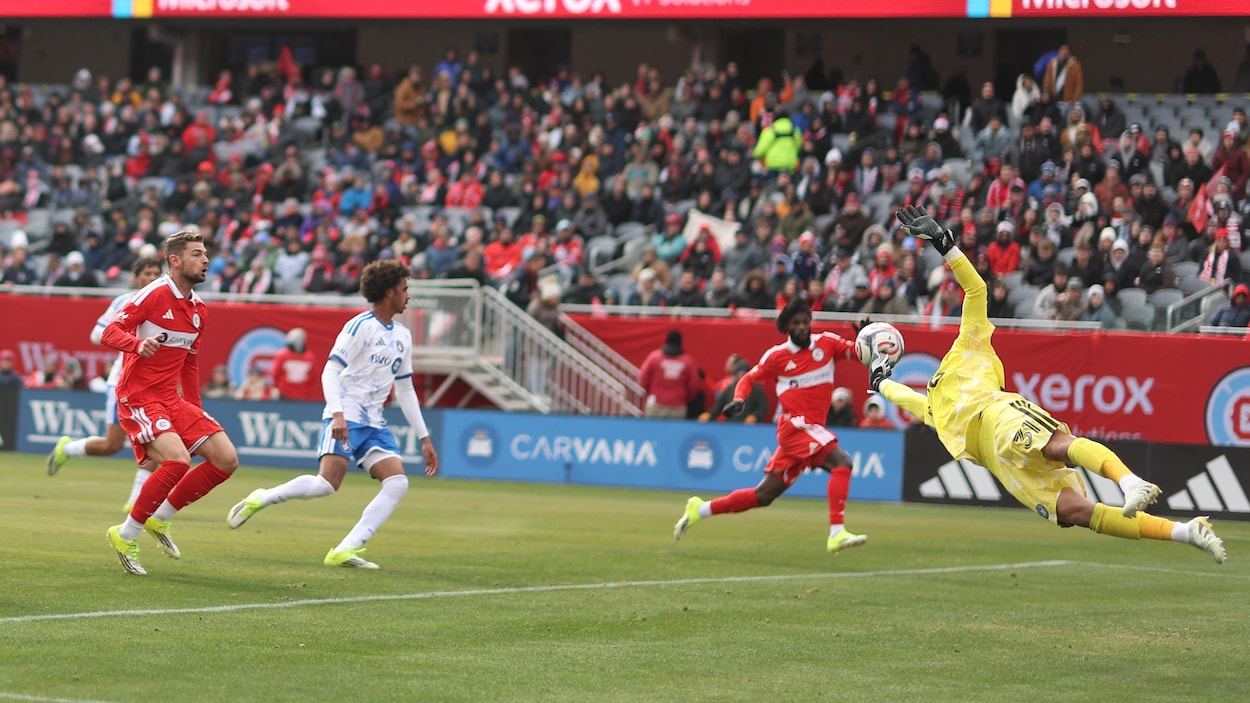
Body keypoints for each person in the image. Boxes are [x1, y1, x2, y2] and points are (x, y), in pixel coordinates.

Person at [873, 206, 1225, 563]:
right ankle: (1186, 531)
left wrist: (944, 244)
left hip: (1000, 415)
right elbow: (908, 400)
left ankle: (1130, 482)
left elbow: (976, 289)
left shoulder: (969, 341)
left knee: (1056, 446)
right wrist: (880, 381)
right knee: (1078, 513)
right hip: (1003, 466)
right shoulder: (934, 406)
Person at [226, 260, 440, 569]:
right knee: (326, 485)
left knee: (397, 482)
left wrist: (424, 437)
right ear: (390, 292)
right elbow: (331, 370)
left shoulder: (403, 336)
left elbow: (405, 390)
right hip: (347, 414)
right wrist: (338, 415)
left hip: (374, 421)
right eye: (405, 289)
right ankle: (262, 497)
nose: (409, 295)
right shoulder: (359, 326)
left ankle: (345, 549)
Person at [673, 298, 868, 555]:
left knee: (762, 496)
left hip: (809, 430)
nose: (802, 327)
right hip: (794, 426)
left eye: (805, 321)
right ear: (786, 326)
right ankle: (836, 533)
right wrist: (739, 400)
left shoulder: (827, 344)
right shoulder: (777, 356)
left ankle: (700, 509)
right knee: (842, 462)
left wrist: (867, 339)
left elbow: (859, 354)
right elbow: (749, 377)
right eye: (795, 323)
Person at [101, 229, 243, 575]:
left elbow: (190, 361)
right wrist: (137, 345)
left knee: (226, 459)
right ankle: (126, 533)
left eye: (206, 253)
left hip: (171, 399)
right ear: (175, 260)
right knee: (177, 461)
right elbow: (109, 332)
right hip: (138, 396)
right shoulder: (153, 293)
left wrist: (194, 405)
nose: (205, 259)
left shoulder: (199, 309)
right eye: (197, 254)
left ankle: (160, 518)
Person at [46, 257, 163, 514]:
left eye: (157, 273)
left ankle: (136, 501)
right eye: (147, 273)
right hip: (123, 381)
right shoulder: (124, 302)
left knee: (155, 439)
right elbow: (97, 333)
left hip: (155, 384)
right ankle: (69, 448)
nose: (152, 277)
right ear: (136, 278)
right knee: (111, 445)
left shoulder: (170, 305)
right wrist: (130, 341)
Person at [638, 330, 701, 419]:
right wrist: (683, 399)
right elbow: (694, 385)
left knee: (653, 431)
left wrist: (652, 393)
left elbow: (643, 378)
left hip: (656, 404)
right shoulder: (688, 361)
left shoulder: (654, 357)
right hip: (678, 406)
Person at [700, 359, 768, 424]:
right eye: (740, 373)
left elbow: (763, 406)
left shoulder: (756, 389)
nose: (742, 375)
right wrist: (709, 414)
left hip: (749, 425)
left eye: (744, 373)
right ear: (735, 374)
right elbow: (719, 404)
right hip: (732, 424)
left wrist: (754, 416)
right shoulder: (730, 388)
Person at [269, 327, 320, 401]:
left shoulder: (283, 355)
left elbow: (274, 374)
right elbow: (313, 378)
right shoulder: (310, 357)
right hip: (292, 395)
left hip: (295, 395)